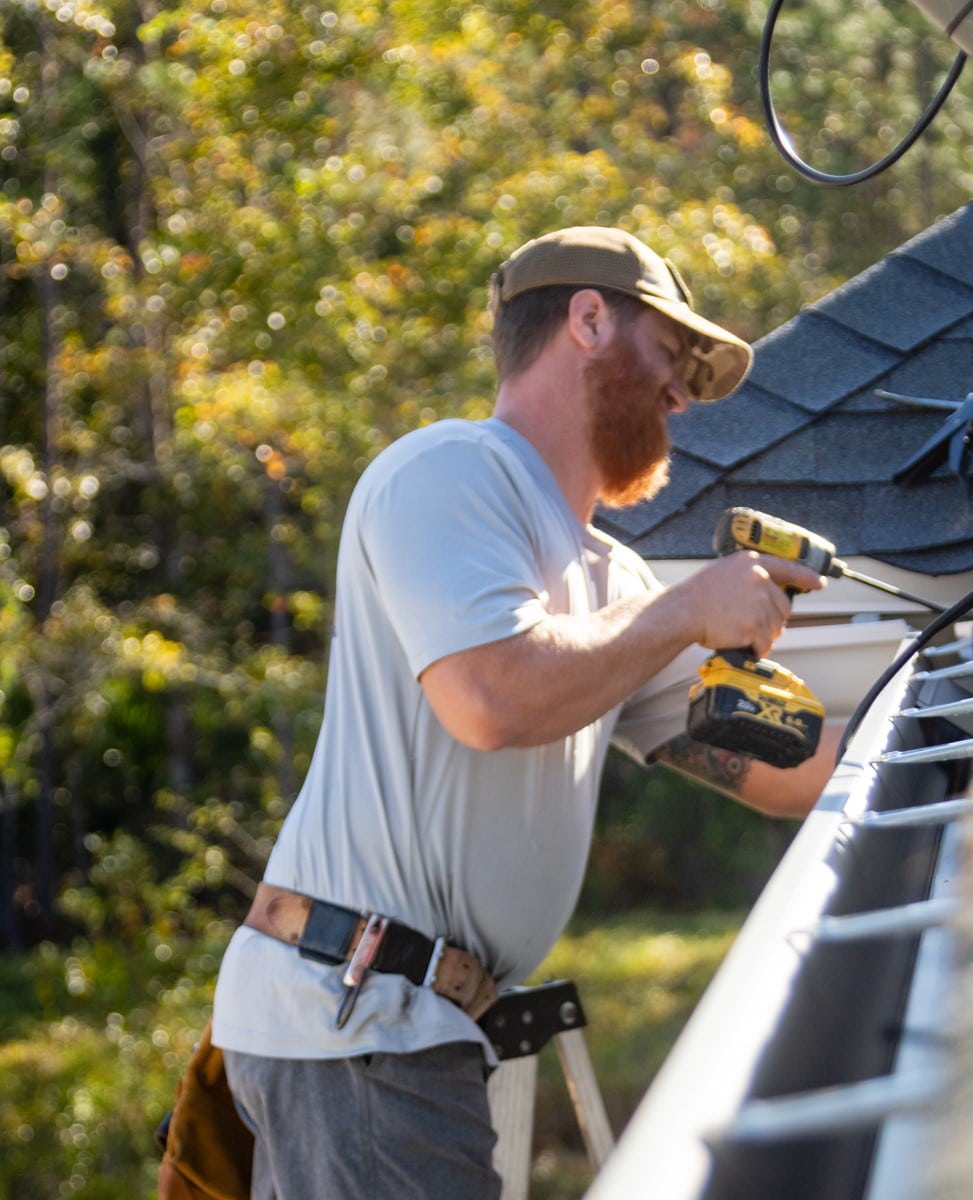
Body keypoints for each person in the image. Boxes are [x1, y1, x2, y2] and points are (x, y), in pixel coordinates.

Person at [210, 226, 835, 1198]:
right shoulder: (449, 473)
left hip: (411, 1032)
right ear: (587, 319)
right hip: (360, 1024)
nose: (680, 397)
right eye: (669, 357)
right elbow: (492, 698)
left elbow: (787, 772)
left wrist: (963, 725)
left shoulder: (613, 581)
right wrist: (685, 609)